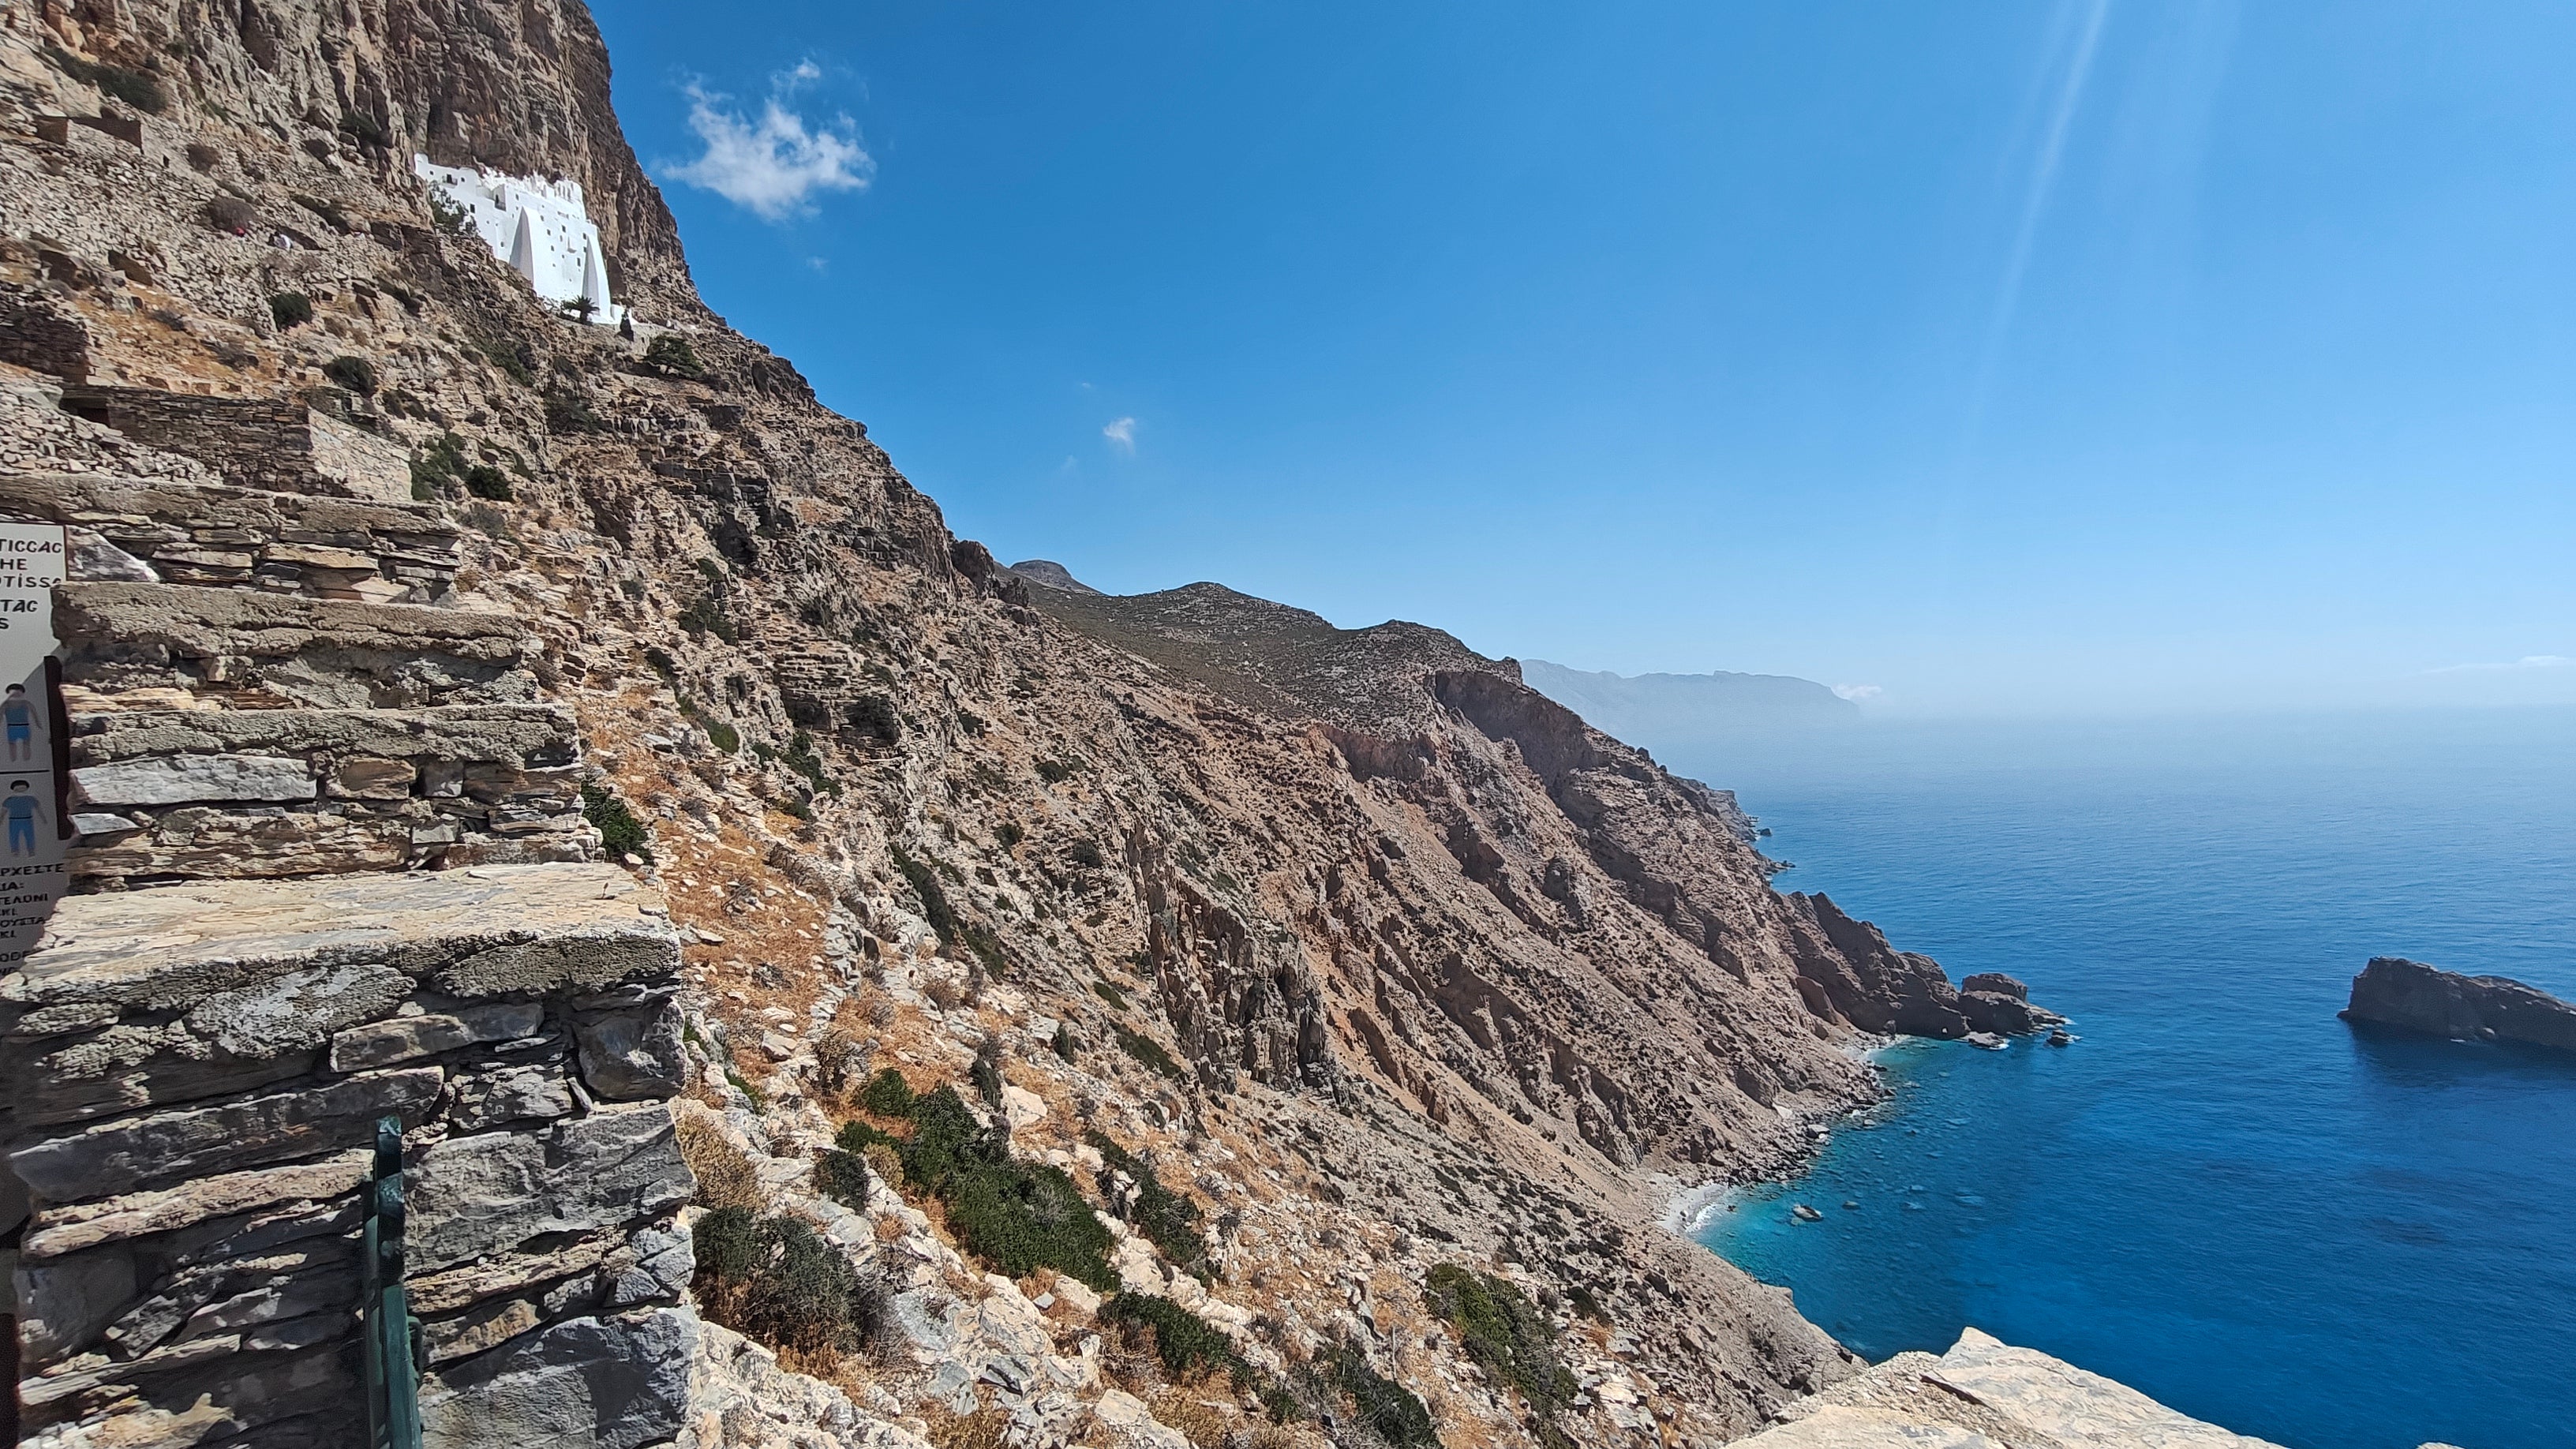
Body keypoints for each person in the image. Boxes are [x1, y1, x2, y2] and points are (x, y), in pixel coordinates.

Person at [5, 778, 43, 858]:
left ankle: (31, 850)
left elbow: (38, 809)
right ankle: (15, 850)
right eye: (18, 788)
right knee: (14, 836)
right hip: (14, 820)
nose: (20, 790)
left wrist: (43, 818)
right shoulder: (10, 800)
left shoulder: (31, 799)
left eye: (23, 788)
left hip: (27, 819)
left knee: (29, 835)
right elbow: (4, 810)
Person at [3, 683, 33, 762]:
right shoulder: (6, 704)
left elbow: (35, 714)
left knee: (26, 744)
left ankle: (27, 760)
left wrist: (39, 723)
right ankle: (13, 760)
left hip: (24, 726)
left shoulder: (26, 703)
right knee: (12, 744)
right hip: (12, 727)